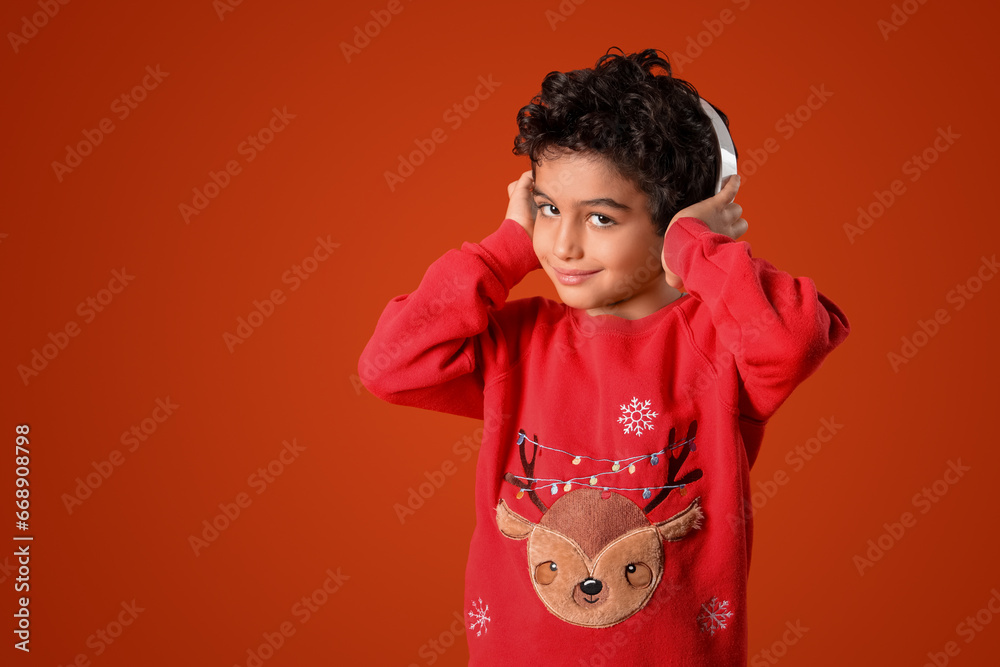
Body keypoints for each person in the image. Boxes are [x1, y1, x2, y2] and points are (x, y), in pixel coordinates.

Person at [358, 46, 850, 666]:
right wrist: (503, 251)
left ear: (674, 220)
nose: (562, 244)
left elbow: (796, 338)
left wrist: (699, 247)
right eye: (548, 209)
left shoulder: (717, 346)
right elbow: (389, 365)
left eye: (600, 218)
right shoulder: (517, 343)